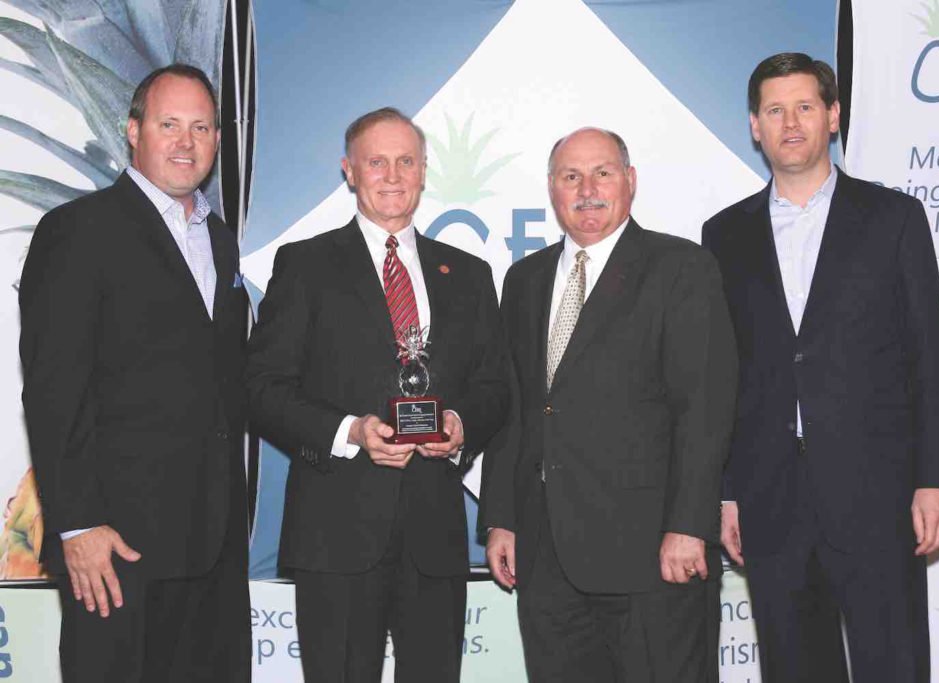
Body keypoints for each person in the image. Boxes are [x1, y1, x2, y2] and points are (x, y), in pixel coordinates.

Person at [701, 52, 939, 682]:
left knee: (892, 665)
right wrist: (729, 491)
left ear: (834, 116)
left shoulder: (893, 219)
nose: (791, 123)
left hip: (879, 495)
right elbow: (723, 375)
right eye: (774, 110)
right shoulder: (723, 236)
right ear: (755, 128)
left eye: (805, 107)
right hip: (771, 501)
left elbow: (928, 354)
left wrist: (936, 479)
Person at [245, 107, 509, 682]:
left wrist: (463, 425)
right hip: (336, 535)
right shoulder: (305, 265)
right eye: (377, 162)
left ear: (423, 171)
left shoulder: (468, 274)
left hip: (434, 538)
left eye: (406, 161)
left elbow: (496, 386)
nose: (392, 175)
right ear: (349, 171)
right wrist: (350, 432)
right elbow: (261, 388)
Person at [19, 64, 251, 683]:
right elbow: (52, 389)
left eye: (201, 126)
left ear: (217, 142)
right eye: (168, 124)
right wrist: (78, 522)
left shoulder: (220, 239)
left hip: (212, 544)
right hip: (115, 545)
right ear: (132, 131)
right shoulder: (77, 231)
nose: (185, 141)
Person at [481, 127, 737, 682]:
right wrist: (501, 517)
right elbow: (516, 408)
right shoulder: (523, 280)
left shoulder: (681, 269)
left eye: (603, 173)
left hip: (652, 553)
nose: (588, 189)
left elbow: (706, 407)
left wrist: (690, 526)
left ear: (631, 181)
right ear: (552, 188)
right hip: (547, 555)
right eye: (571, 176)